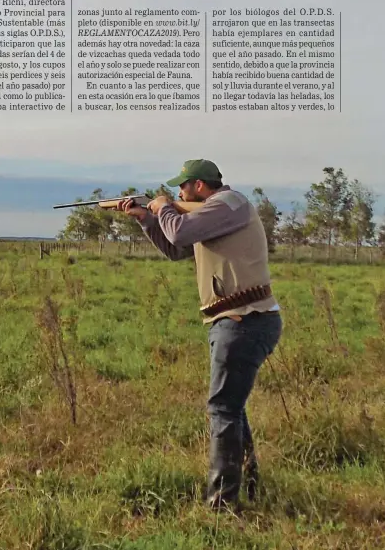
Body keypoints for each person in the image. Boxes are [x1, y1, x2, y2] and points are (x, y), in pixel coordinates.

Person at [117, 159, 283, 511]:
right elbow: (177, 248)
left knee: (223, 409)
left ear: (199, 186)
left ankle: (222, 505)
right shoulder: (213, 214)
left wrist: (162, 206)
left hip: (244, 320)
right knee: (231, 408)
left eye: (183, 188)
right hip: (234, 320)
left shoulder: (230, 203)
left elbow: (179, 231)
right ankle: (249, 484)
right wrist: (146, 217)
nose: (178, 193)